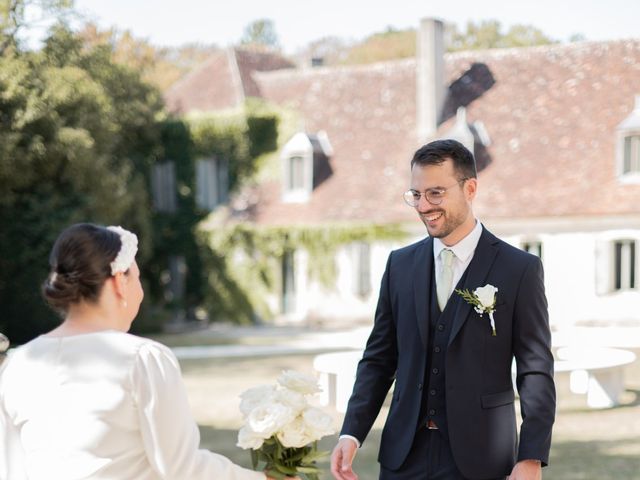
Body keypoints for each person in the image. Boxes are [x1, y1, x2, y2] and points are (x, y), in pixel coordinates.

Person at [330, 140, 556, 480]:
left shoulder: (518, 269)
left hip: (482, 458)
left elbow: (535, 369)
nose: (424, 206)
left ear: (470, 188)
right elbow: (378, 359)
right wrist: (352, 433)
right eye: (416, 195)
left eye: (435, 193)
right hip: (402, 457)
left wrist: (531, 457)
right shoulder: (400, 265)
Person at [0, 223, 280, 480]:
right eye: (137, 277)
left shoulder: (19, 363)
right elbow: (182, 468)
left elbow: (10, 469)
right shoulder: (141, 359)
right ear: (120, 282)